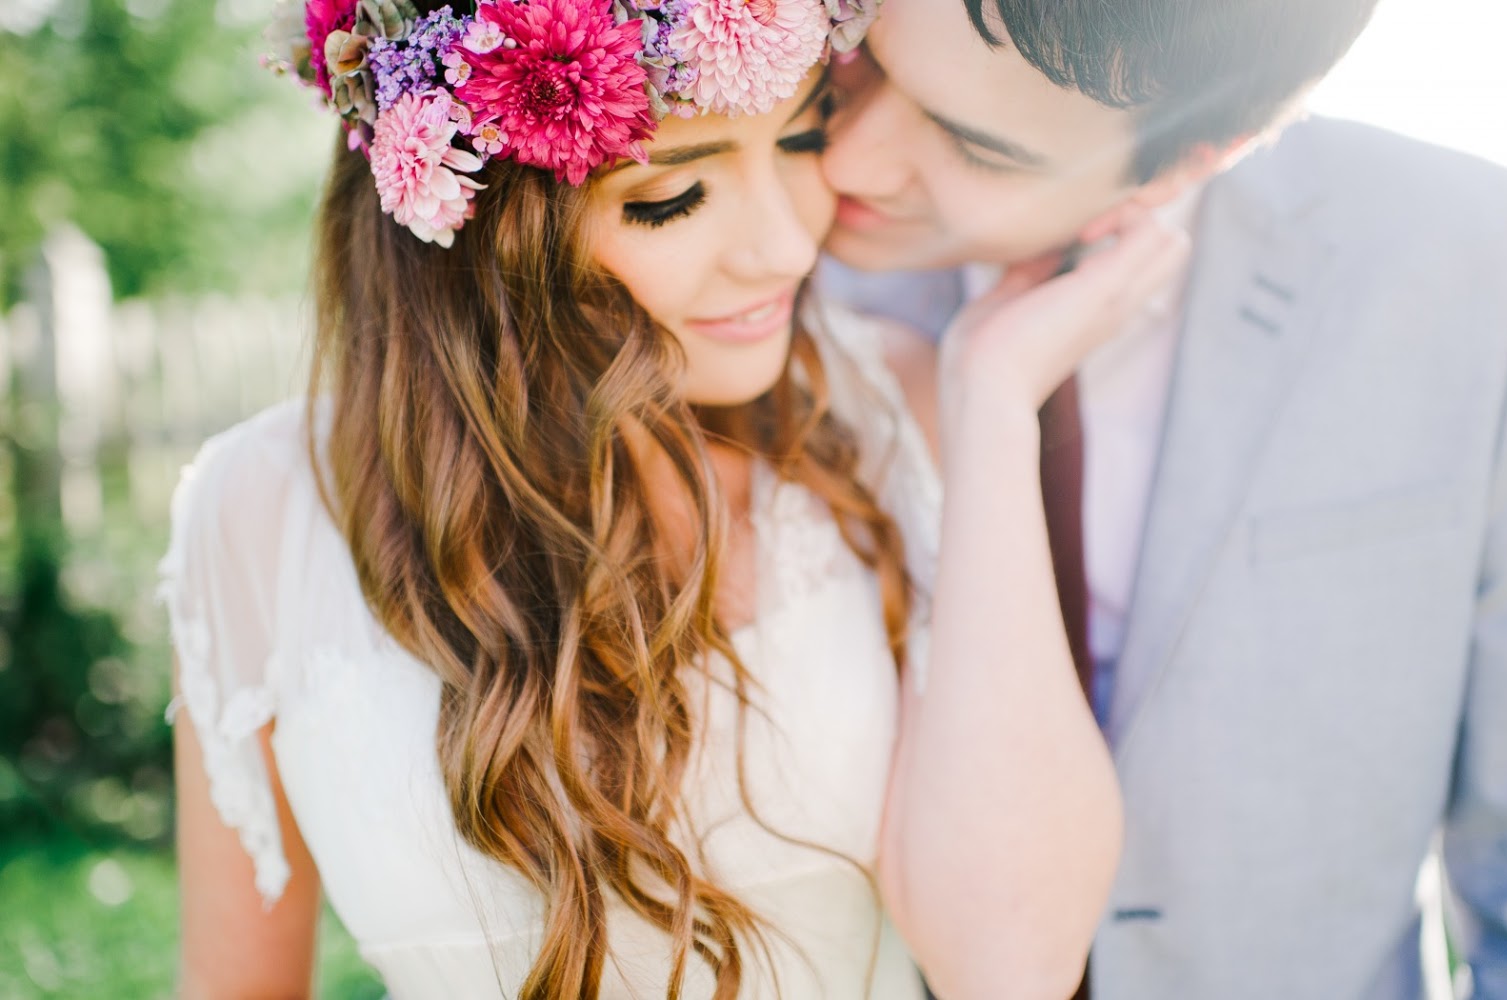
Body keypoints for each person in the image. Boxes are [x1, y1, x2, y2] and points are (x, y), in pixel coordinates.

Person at [162, 0, 1168, 997]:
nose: (781, 247)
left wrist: (991, 401)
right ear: (476, 214)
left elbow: (1016, 967)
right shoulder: (256, 516)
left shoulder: (887, 411)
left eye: (804, 136)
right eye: (672, 196)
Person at [818, 0, 1507, 997]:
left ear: (1197, 159)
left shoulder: (1483, 264)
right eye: (863, 67)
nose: (847, 160)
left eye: (975, 148)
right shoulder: (752, 263)